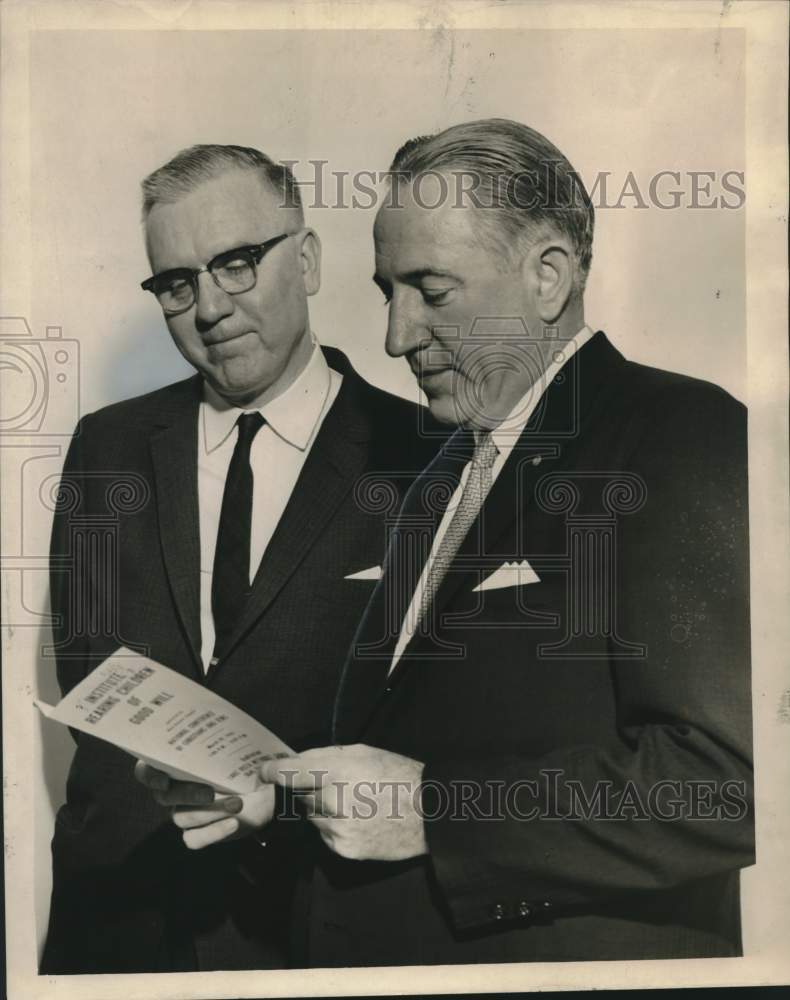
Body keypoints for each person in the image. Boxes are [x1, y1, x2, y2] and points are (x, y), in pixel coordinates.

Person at [250, 118, 752, 964]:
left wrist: (436, 811)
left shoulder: (680, 433)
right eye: (387, 292)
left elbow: (728, 783)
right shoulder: (445, 468)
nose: (396, 336)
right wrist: (274, 792)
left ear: (549, 275)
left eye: (432, 291)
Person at [41, 143, 443, 974]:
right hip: (119, 927)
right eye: (178, 283)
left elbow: (439, 725)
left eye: (235, 263)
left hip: (318, 933)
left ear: (306, 261)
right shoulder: (106, 447)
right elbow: (90, 674)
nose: (210, 307)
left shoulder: (425, 457)